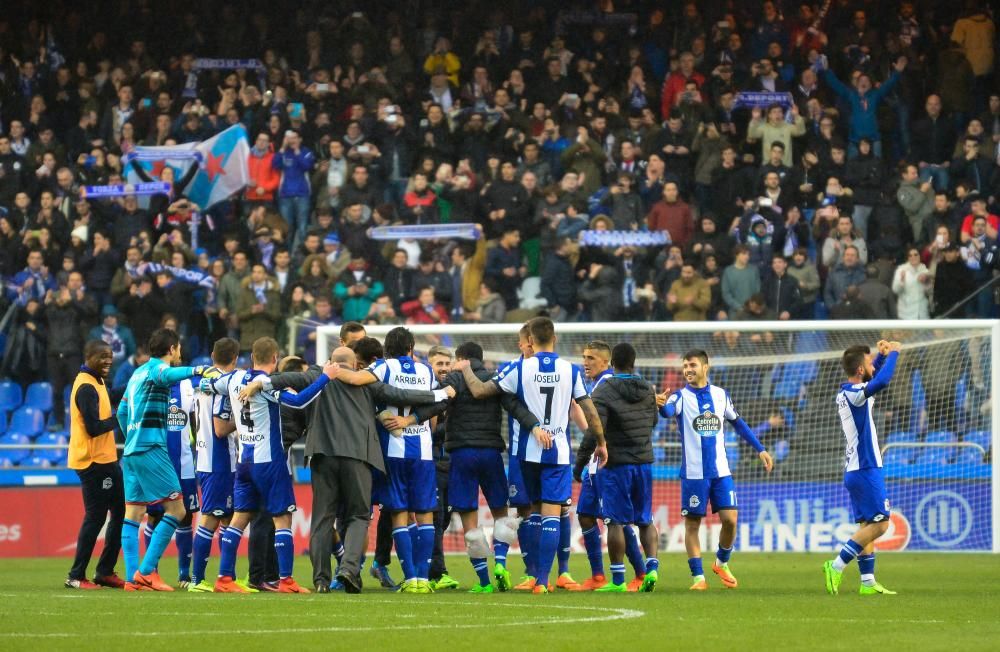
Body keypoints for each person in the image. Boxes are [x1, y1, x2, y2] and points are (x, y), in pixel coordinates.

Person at [248, 344, 454, 593]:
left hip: (323, 455)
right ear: (356, 365)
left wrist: (260, 382)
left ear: (330, 362)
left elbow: (287, 377)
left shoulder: (317, 376)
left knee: (323, 519)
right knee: (358, 516)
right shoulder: (367, 382)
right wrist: (440, 395)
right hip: (359, 456)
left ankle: (321, 580)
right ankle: (348, 569)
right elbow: (400, 395)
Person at [455, 316, 608, 594]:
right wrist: (600, 441)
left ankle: (536, 573)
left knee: (529, 513)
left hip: (525, 454)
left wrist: (465, 369)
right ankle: (542, 581)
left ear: (530, 341)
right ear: (555, 338)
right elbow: (589, 409)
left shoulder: (518, 368)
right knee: (553, 515)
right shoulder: (570, 370)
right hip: (557, 454)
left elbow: (479, 390)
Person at [389, 341, 539, 593]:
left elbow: (438, 404)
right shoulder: (495, 379)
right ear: (481, 358)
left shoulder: (456, 379)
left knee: (470, 519)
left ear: (460, 358)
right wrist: (535, 426)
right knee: (501, 513)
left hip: (461, 455)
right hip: (491, 452)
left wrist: (411, 419)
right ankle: (500, 562)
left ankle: (483, 582)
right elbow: (515, 407)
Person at [201, 337, 335, 594]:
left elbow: (208, 384)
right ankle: (286, 580)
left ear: (252, 358)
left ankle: (224, 578)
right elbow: (299, 402)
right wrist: (325, 377)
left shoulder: (232, 379)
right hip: (270, 461)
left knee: (240, 518)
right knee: (282, 518)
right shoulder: (267, 385)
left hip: (244, 460)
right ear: (275, 359)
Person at [659, 349, 774, 590]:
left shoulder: (721, 395)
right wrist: (659, 404)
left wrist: (760, 449)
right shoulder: (679, 397)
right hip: (694, 474)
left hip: (721, 471)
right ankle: (698, 578)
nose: (688, 369)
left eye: (692, 365)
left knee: (730, 520)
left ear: (705, 367)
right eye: (685, 366)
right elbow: (667, 411)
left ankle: (721, 562)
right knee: (692, 525)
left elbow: (738, 423)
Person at [116, 328, 210, 591]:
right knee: (178, 510)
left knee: (133, 512)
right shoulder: (157, 369)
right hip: (151, 448)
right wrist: (198, 370)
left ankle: (131, 577)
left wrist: (132, 435)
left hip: (132, 451)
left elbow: (122, 412)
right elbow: (167, 375)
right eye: (178, 348)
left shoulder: (136, 374)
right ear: (171, 349)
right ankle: (146, 572)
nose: (179, 353)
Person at [824, 340, 901, 596]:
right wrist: (895, 354)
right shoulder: (854, 394)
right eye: (869, 364)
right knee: (880, 524)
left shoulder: (849, 391)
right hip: (865, 467)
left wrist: (880, 355)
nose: (873, 367)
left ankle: (867, 582)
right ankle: (835, 566)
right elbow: (881, 381)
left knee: (867, 525)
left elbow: (871, 375)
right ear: (860, 369)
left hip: (858, 468)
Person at [588, 343, 660, 593]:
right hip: (644, 462)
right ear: (634, 362)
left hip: (616, 463)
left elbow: (597, 425)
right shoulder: (648, 389)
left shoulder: (605, 389)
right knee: (645, 520)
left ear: (612, 363)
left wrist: (588, 455)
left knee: (615, 522)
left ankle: (618, 580)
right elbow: (653, 421)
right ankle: (651, 569)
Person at [65, 340, 126, 590]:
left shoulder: (97, 382)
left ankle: (104, 571)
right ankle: (76, 575)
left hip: (107, 459)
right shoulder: (85, 387)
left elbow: (109, 396)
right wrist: (119, 418)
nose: (108, 361)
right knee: (96, 517)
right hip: (92, 461)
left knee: (121, 512)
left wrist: (132, 386)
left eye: (110, 357)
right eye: (102, 357)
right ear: (88, 356)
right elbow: (93, 428)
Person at [187, 338, 240, 593]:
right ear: (236, 358)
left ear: (211, 354)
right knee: (210, 517)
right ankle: (197, 579)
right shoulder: (224, 386)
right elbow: (220, 429)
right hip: (219, 460)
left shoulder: (202, 384)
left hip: (205, 456)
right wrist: (240, 423)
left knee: (227, 517)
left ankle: (227, 576)